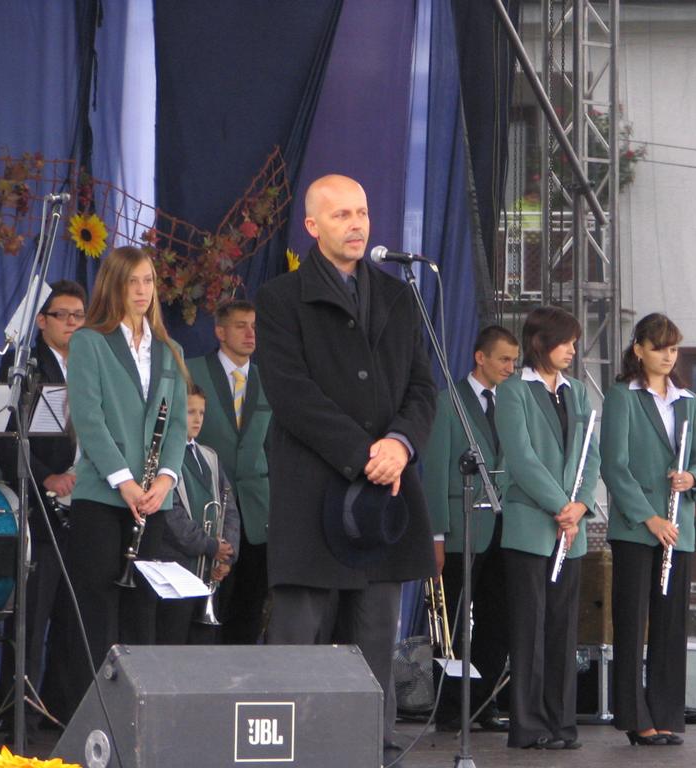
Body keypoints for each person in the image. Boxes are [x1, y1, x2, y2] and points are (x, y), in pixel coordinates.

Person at [254, 174, 436, 752]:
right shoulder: (281, 298)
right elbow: (291, 393)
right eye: (341, 215)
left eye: (362, 212)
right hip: (314, 491)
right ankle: (286, 750)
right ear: (312, 226)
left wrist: (400, 444)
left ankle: (371, 748)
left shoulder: (399, 296)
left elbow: (422, 387)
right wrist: (363, 455)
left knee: (375, 631)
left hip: (383, 495)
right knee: (300, 630)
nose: (357, 225)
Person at [64, 245, 188, 717]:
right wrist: (124, 481)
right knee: (98, 606)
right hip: (103, 496)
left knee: (142, 609)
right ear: (113, 286)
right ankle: (95, 715)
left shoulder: (170, 351)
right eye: (132, 281)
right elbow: (89, 419)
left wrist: (166, 480)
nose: (142, 291)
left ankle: (138, 714)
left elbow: (176, 425)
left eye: (148, 281)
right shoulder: (89, 342)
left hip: (152, 500)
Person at [600, 313, 696, 746]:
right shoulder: (622, 396)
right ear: (639, 350)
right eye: (659, 347)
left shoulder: (689, 401)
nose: (667, 356)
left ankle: (665, 714)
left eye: (673, 348)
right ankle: (634, 716)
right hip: (637, 527)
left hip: (678, 526)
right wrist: (650, 517)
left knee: (670, 624)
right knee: (632, 622)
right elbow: (615, 465)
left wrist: (692, 478)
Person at [494, 306, 600, 751]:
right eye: (565, 342)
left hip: (570, 529)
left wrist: (581, 505)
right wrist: (561, 506)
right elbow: (521, 458)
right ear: (541, 342)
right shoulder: (513, 391)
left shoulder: (577, 393)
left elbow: (591, 453)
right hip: (531, 526)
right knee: (529, 629)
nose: (573, 350)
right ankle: (529, 725)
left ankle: (561, 724)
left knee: (562, 630)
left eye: (574, 343)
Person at [0, 280, 86, 724]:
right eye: (62, 315)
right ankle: (20, 717)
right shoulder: (23, 364)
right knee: (32, 618)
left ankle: (64, 713)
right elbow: (5, 434)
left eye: (78, 316)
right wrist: (44, 475)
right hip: (40, 507)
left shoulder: (92, 363)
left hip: (86, 506)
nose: (71, 323)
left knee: (74, 621)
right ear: (41, 321)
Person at [423, 325, 519, 733]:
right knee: (455, 623)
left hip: (505, 529)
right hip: (460, 529)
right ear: (480, 357)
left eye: (514, 361)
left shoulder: (513, 403)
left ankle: (482, 703)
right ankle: (450, 707)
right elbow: (433, 472)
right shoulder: (448, 402)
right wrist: (436, 535)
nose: (510, 368)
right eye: (504, 359)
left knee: (499, 620)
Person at [186, 300, 270, 645]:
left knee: (248, 613)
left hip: (256, 515)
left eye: (254, 326)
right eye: (240, 326)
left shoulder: (269, 378)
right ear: (220, 332)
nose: (250, 333)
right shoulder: (191, 370)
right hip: (206, 509)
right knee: (200, 618)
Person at [156, 384, 239, 645]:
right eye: (190, 412)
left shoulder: (209, 456)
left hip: (207, 571)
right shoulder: (162, 455)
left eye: (201, 413)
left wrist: (227, 554)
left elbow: (229, 508)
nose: (197, 419)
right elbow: (171, 515)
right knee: (172, 642)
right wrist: (211, 545)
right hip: (176, 569)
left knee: (202, 647)